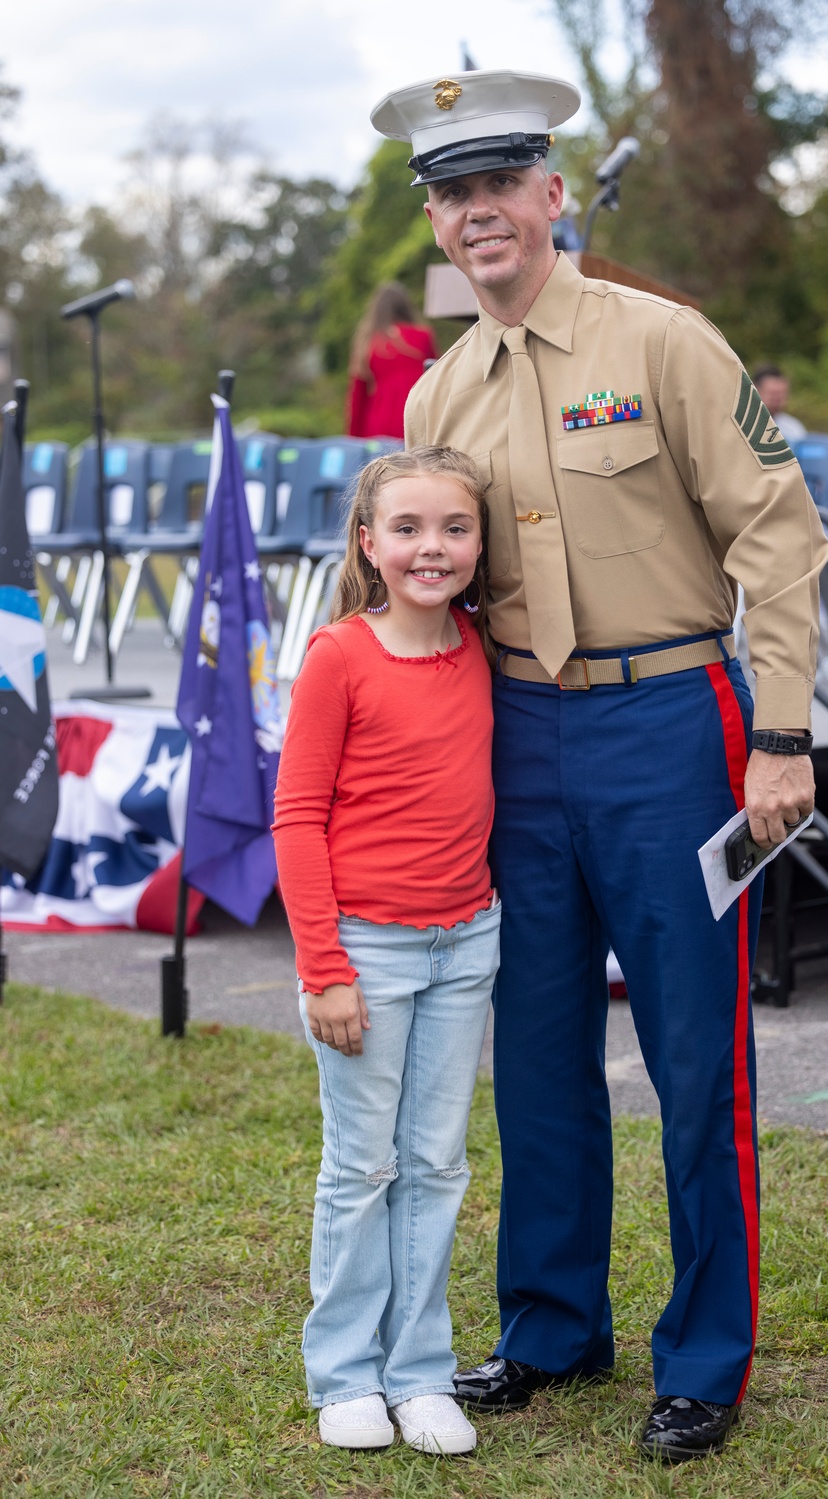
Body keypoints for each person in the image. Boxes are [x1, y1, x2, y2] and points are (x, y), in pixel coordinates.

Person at [372, 69, 828, 1464]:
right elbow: (417, 581)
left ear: (553, 193)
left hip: (666, 726)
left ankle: (705, 1351)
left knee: (698, 1051)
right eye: (451, 194)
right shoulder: (442, 389)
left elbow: (779, 532)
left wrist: (785, 730)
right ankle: (554, 1321)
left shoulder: (664, 339)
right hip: (511, 741)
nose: (477, 212)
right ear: (439, 226)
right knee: (536, 1044)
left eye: (500, 181)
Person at [272, 446, 500, 1456]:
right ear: (368, 543)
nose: (431, 548)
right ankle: (345, 1373)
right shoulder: (339, 656)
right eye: (406, 529)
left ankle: (418, 1371)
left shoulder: (482, 647)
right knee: (361, 1165)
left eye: (453, 527)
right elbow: (295, 817)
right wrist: (324, 967)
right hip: (365, 952)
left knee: (436, 1161)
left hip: (467, 939)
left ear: (478, 541)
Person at [346, 282, 437, 439]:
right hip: (418, 419)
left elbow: (357, 398)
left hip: (379, 426)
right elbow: (437, 377)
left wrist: (354, 439)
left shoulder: (369, 342)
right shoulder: (423, 335)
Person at [751, 364, 807, 443]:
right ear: (755, 391)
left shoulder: (793, 427)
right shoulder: (742, 424)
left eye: (781, 394)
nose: (777, 399)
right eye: (772, 394)